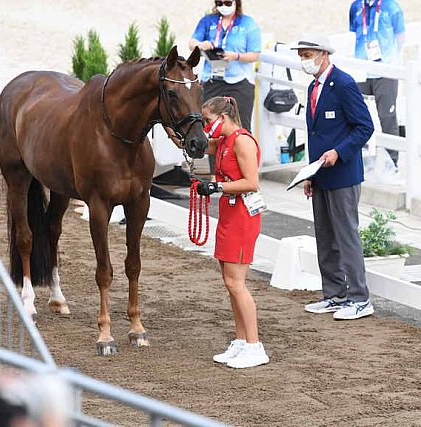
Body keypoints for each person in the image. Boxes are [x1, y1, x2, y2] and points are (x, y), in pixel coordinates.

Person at [290, 33, 376, 321]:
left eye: (307, 55)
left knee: (346, 236)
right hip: (320, 173)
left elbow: (364, 127)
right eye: (301, 56)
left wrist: (339, 152)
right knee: (325, 236)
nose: (304, 61)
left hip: (343, 173)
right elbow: (315, 133)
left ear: (323, 54)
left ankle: (360, 298)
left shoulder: (344, 84)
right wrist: (310, 173)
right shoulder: (313, 87)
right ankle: (335, 294)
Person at [195, 96, 269, 369]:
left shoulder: (242, 141)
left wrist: (217, 188)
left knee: (236, 283)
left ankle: (254, 344)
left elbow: (251, 182)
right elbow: (196, 146)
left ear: (222, 118)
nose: (205, 126)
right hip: (229, 213)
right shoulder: (224, 142)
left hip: (241, 217)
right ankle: (241, 341)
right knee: (230, 282)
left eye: (207, 121)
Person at [189, 0, 261, 176]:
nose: (223, 5)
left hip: (239, 80)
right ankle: (217, 174)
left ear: (237, 2)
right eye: (219, 2)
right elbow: (192, 42)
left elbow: (255, 54)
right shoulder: (208, 21)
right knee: (211, 127)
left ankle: (247, 174)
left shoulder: (248, 23)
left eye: (227, 1)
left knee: (241, 126)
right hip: (213, 79)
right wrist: (201, 46)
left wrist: (235, 55)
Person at [349, 0, 405, 167]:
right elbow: (354, 32)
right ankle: (359, 158)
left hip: (385, 72)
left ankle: (392, 163)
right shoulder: (356, 6)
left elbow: (401, 38)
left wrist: (389, 60)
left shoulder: (391, 7)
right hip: (361, 70)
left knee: (387, 118)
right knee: (356, 116)